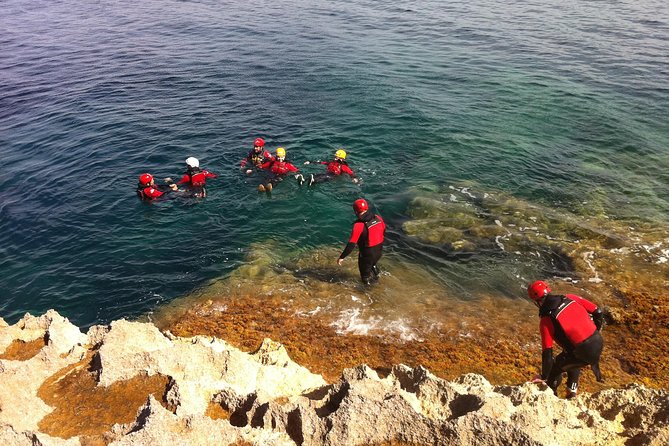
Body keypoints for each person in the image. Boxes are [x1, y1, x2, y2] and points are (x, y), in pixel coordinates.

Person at [527, 280, 604, 399]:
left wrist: (544, 376)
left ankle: (552, 395)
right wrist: (596, 330)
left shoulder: (546, 320)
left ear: (536, 301)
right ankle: (571, 392)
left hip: (583, 353)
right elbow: (598, 311)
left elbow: (547, 354)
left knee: (554, 368)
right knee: (570, 356)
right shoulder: (570, 297)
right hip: (598, 342)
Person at [337, 199, 386, 285]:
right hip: (379, 251)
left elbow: (351, 244)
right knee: (373, 265)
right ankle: (378, 280)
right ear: (367, 208)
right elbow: (383, 230)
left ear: (355, 211)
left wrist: (342, 257)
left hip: (367, 255)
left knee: (365, 277)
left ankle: (368, 294)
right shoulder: (378, 218)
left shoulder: (358, 225)